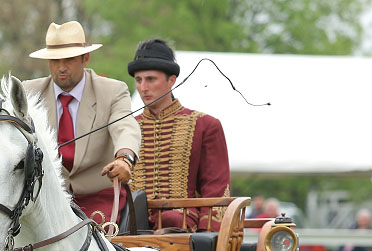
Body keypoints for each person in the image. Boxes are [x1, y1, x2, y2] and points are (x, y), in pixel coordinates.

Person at [25, 21, 140, 224]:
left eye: (69, 59)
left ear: (85, 58)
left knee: (96, 250)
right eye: (54, 60)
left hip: (99, 198)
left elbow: (125, 127)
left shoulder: (113, 91)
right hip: (45, 198)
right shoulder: (28, 93)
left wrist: (124, 158)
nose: (61, 68)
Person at [127, 38, 231, 232]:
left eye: (151, 79)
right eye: (138, 80)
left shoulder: (205, 125)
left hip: (183, 228)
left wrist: (206, 236)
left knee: (171, 219)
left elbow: (215, 189)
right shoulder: (128, 127)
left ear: (171, 80)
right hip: (132, 228)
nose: (143, 88)